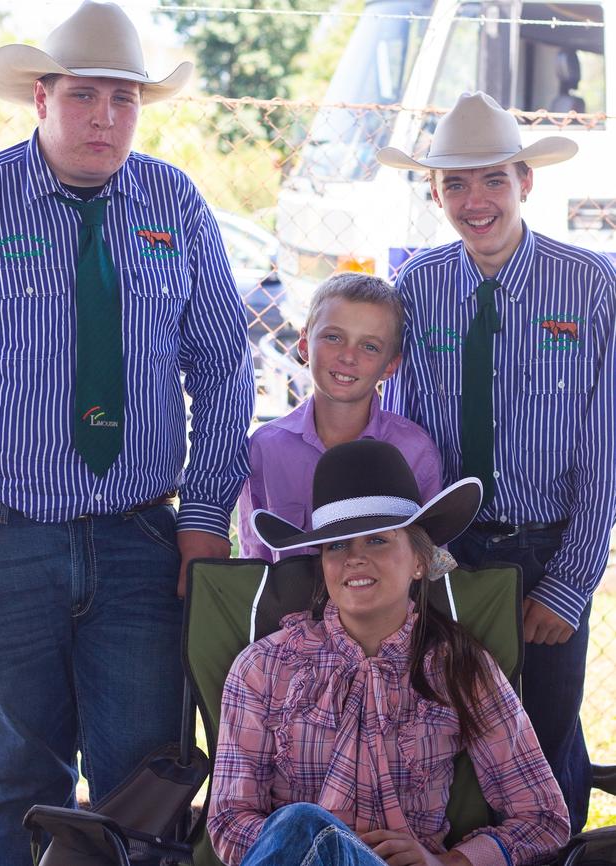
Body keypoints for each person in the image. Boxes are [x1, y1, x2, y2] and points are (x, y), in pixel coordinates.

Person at [0, 3, 254, 864]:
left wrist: (205, 513)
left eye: (124, 99)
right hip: (3, 539)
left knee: (145, 775)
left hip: (142, 537)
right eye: (84, 95)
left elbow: (225, 365)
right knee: (20, 774)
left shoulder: (173, 201)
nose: (105, 116)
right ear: (41, 98)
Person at [377, 90, 616, 833]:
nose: (474, 200)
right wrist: (420, 552)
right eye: (454, 183)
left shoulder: (592, 285)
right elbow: (409, 432)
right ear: (435, 192)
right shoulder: (419, 286)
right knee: (449, 732)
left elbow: (604, 445)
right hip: (450, 550)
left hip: (547, 549)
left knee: (541, 738)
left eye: (492, 180)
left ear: (526, 182)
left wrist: (571, 584)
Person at [209, 439, 570, 866]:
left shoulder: (458, 666)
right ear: (322, 566)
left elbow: (545, 816)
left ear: (420, 561)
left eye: (377, 541)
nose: (354, 559)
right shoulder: (264, 668)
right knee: (303, 824)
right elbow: (229, 820)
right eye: (337, 545)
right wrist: (320, 845)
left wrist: (448, 862)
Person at [238, 272, 442, 560]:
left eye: (369, 346)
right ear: (305, 344)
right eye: (333, 337)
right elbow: (255, 558)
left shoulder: (414, 451)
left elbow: (431, 561)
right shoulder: (265, 449)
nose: (348, 356)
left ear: (390, 366)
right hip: (288, 604)